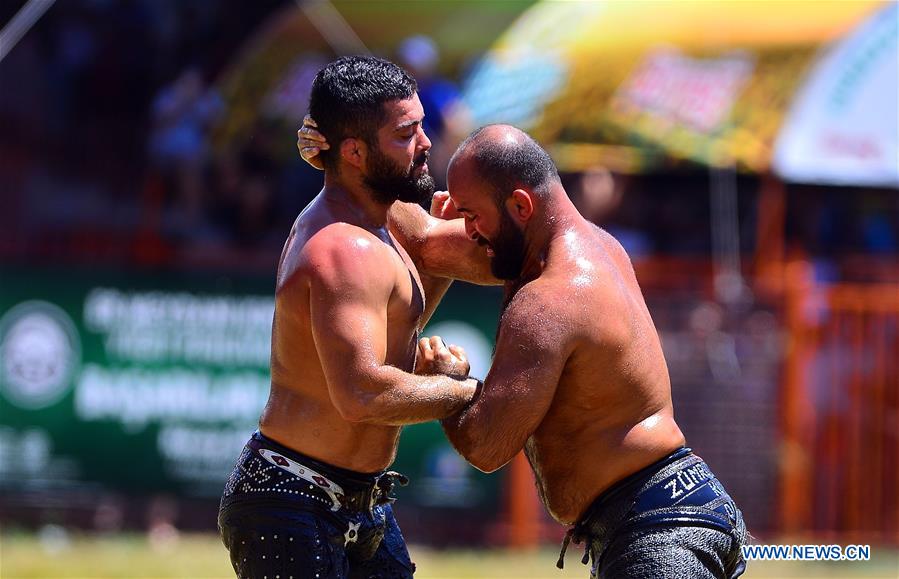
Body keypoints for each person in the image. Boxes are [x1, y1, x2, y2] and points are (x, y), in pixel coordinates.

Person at [417, 125, 748, 578]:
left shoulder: (551, 298)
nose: (467, 230)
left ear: (520, 205)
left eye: (473, 215)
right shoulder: (595, 247)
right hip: (675, 509)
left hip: (659, 531)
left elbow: (486, 445)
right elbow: (426, 243)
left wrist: (447, 381)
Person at [218, 55, 494, 579]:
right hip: (291, 501)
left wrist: (549, 223)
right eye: (407, 133)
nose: (428, 142)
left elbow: (474, 254)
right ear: (353, 152)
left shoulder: (392, 217)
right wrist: (467, 393)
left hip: (360, 503)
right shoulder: (343, 248)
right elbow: (363, 394)